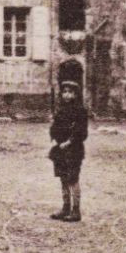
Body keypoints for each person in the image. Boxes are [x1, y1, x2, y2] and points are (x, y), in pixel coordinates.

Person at [48, 80, 89, 222]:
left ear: (76, 94)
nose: (67, 95)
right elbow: (55, 128)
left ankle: (76, 211)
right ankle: (65, 207)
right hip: (60, 149)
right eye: (64, 92)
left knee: (73, 179)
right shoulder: (60, 110)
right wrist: (53, 137)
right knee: (63, 178)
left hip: (74, 150)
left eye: (70, 92)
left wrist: (69, 142)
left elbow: (82, 132)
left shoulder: (80, 111)